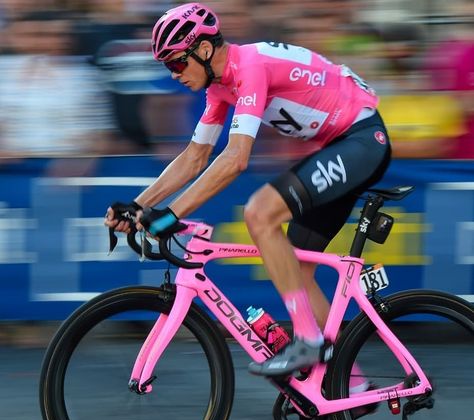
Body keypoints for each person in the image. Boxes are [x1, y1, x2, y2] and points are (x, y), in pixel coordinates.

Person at [104, 3, 391, 379]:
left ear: (203, 50)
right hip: (343, 147)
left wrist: (170, 215)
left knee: (260, 213)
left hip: (361, 140)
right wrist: (138, 206)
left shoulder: (250, 67)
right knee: (298, 269)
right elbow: (194, 158)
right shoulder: (220, 88)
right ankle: (349, 385)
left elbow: (236, 159)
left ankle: (308, 340)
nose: (173, 74)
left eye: (176, 63)